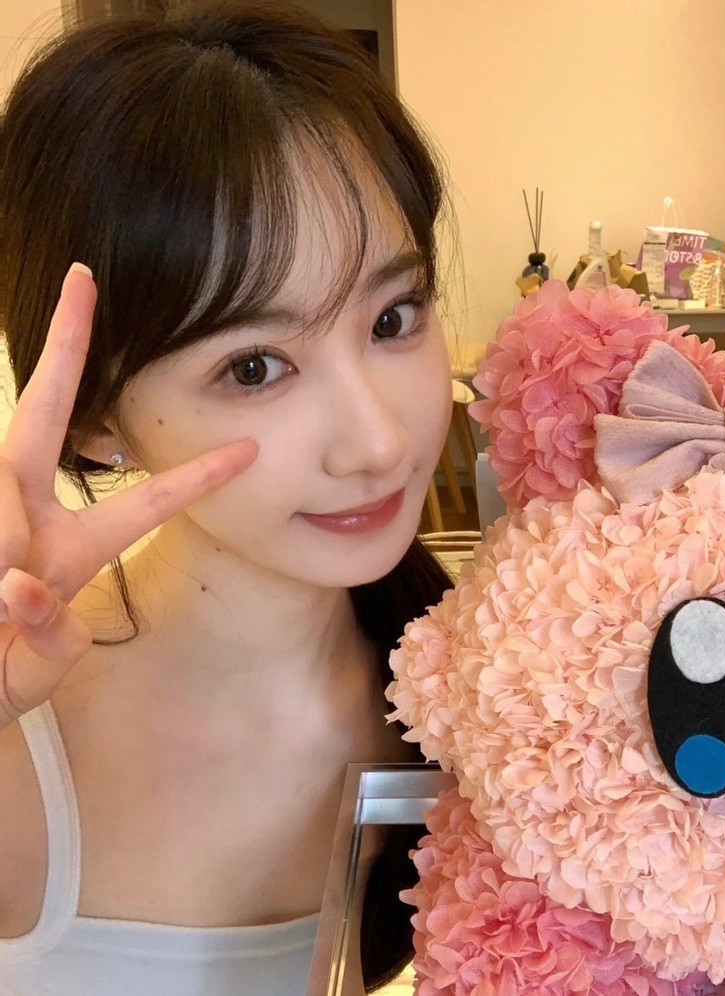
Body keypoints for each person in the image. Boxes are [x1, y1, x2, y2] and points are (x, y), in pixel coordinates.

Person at [0, 1, 459, 992]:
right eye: (254, 367)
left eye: (394, 317)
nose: (379, 442)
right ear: (97, 417)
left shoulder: (486, 693)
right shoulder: (19, 740)